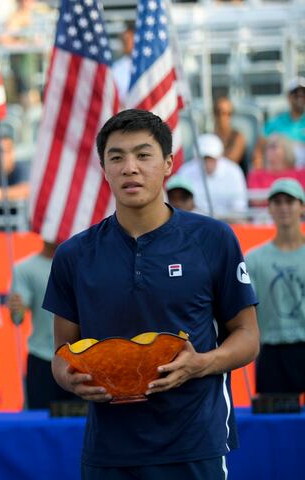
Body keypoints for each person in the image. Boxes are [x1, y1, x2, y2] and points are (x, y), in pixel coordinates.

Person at [45, 109, 259, 479]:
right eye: (117, 157)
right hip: (109, 450)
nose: (130, 168)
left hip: (195, 443)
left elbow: (248, 336)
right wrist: (71, 378)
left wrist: (200, 364)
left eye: (143, 155)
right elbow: (62, 354)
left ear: (168, 164)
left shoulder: (213, 239)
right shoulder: (74, 255)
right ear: (103, 167)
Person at [245, 178, 305, 394]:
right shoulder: (253, 259)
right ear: (269, 208)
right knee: (275, 423)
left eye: (289, 201)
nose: (283, 207)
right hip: (271, 354)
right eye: (277, 202)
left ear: (302, 206)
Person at [9, 240, 75, 409]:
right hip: (42, 357)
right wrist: (17, 309)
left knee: (81, 420)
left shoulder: (80, 264)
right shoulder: (24, 268)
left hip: (79, 356)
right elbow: (17, 318)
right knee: (42, 419)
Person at [177, 133, 248, 220]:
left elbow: (239, 207)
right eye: (204, 158)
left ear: (219, 157)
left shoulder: (233, 172)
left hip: (228, 223)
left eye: (211, 158)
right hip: (196, 223)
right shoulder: (186, 171)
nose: (207, 163)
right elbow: (181, 204)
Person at [254, 77, 305, 169]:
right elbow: (259, 150)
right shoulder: (275, 122)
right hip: (280, 172)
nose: (300, 98)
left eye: (303, 94)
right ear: (289, 97)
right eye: (296, 94)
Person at [0, 134, 30, 203]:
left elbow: (26, 190)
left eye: (7, 151)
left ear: (13, 152)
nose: (3, 156)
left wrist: (0, 194)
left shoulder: (21, 169)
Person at [213, 96, 248, 176]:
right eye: (218, 112)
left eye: (227, 113)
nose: (222, 117)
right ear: (214, 114)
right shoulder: (209, 137)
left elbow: (231, 161)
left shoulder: (238, 137)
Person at [111, 21, 135, 105]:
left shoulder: (154, 64)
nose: (125, 42)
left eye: (130, 39)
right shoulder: (117, 68)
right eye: (124, 38)